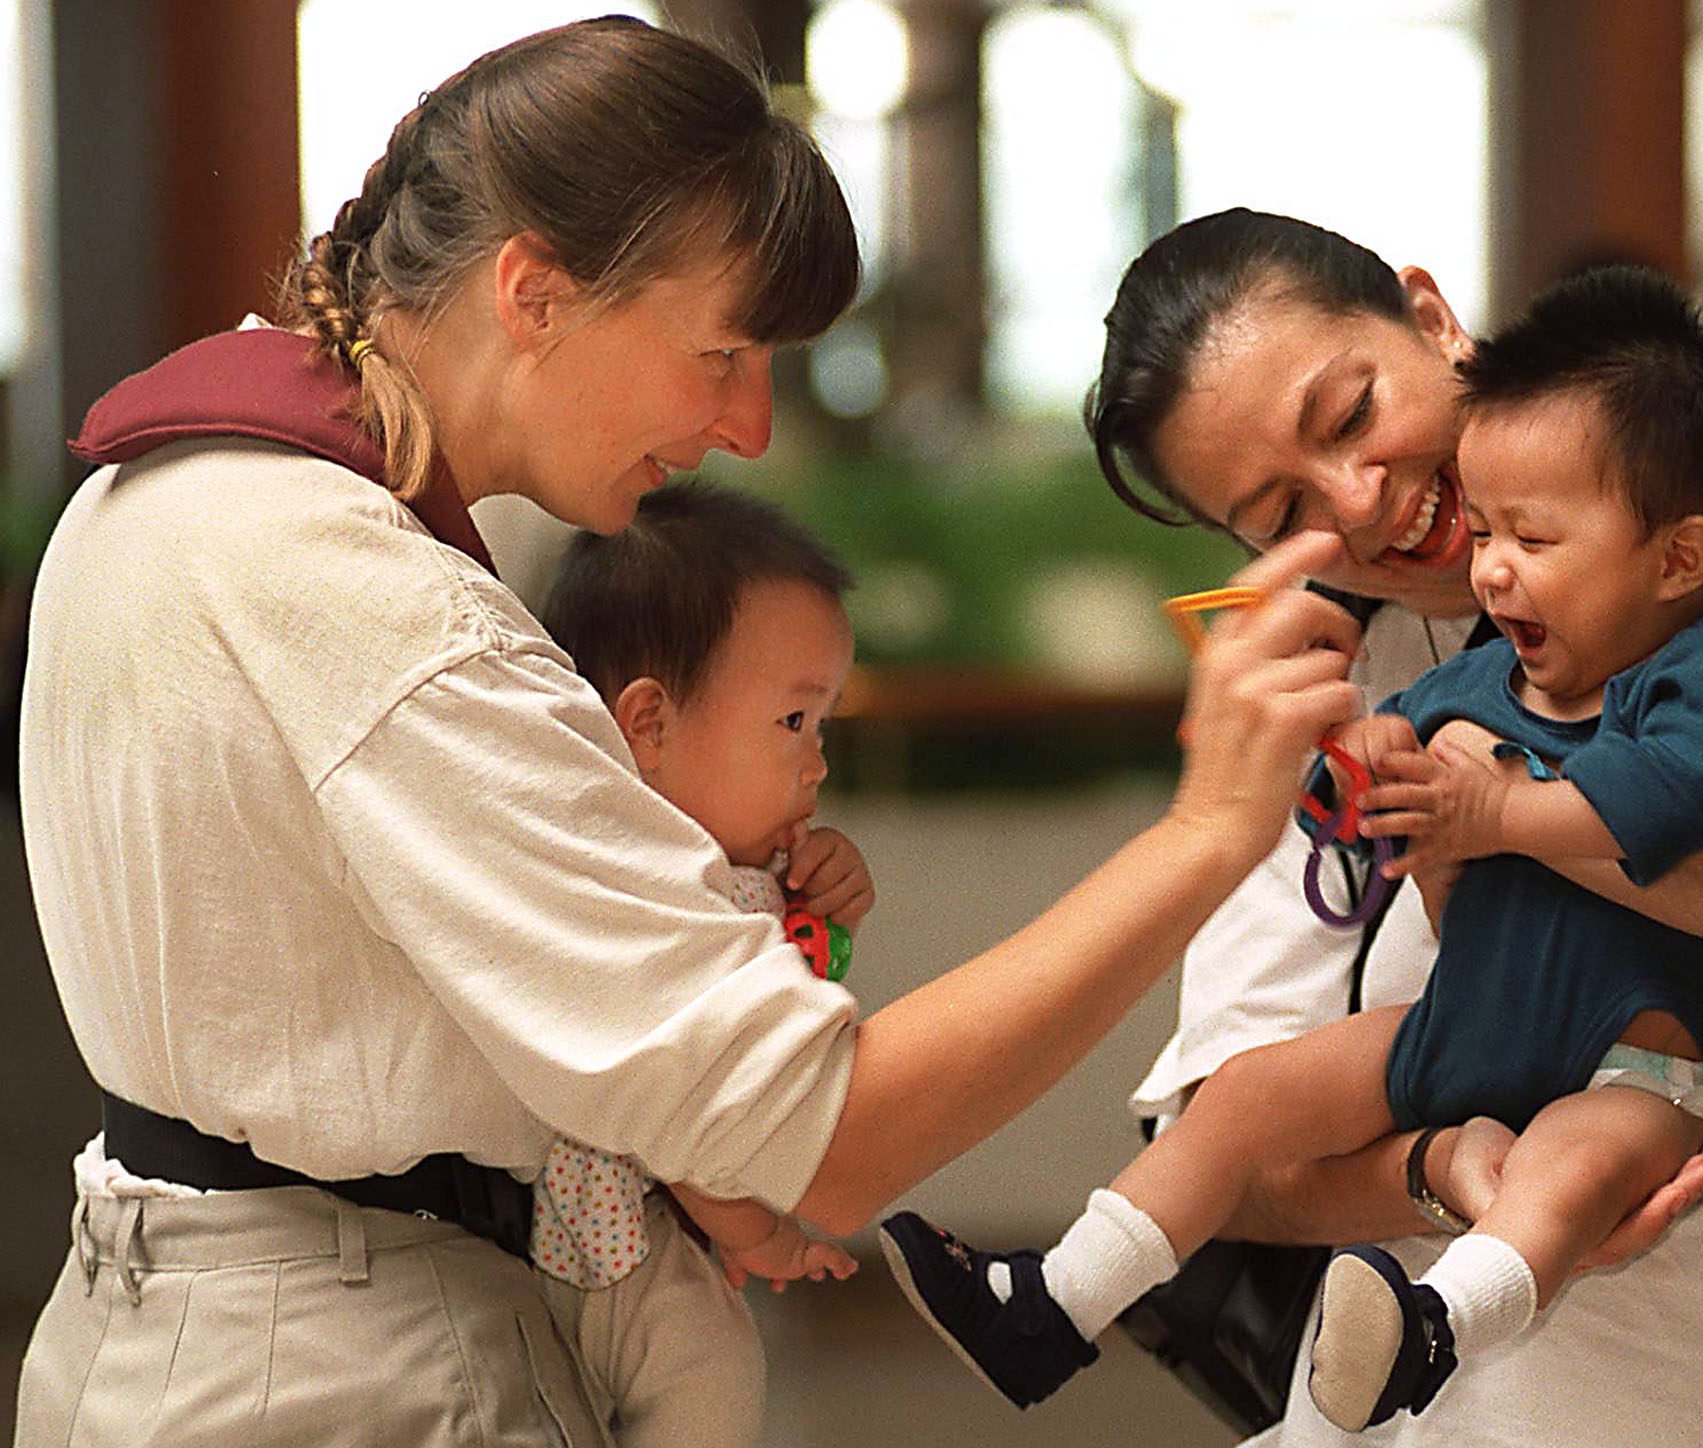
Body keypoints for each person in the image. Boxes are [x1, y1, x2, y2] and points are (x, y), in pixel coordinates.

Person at [10, 28, 1363, 1444]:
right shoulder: (368, 603)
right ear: (534, 291)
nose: (751, 423)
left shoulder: (178, 487)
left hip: (173, 1327)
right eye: (719, 351)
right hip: (359, 1368)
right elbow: (828, 1140)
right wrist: (1211, 830)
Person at [1091, 210, 1703, 1447]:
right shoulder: (1328, 676)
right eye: (1278, 508)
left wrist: (1501, 799)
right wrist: (1438, 1167)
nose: (1360, 503)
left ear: (1427, 317)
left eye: (1351, 415)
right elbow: (1219, 1144)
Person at [879, 267, 1703, 1430]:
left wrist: (1493, 808)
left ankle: (1435, 1328)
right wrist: (1362, 754)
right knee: (1244, 1100)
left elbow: (1668, 804)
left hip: (1630, 1056)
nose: (1485, 560)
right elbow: (1399, 751)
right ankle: (1054, 1301)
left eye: (1533, 530)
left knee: (1569, 1167)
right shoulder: (1470, 661)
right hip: (1461, 1028)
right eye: (1278, 515)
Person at [529, 480, 873, 1445]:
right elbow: (680, 1109)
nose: (818, 765)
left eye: (825, 728)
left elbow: (796, 973)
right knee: (712, 1376)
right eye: (793, 723)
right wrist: (758, 1233)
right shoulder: (635, 886)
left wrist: (823, 895)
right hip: (604, 1254)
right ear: (648, 726)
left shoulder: (735, 865)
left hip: (654, 1231)